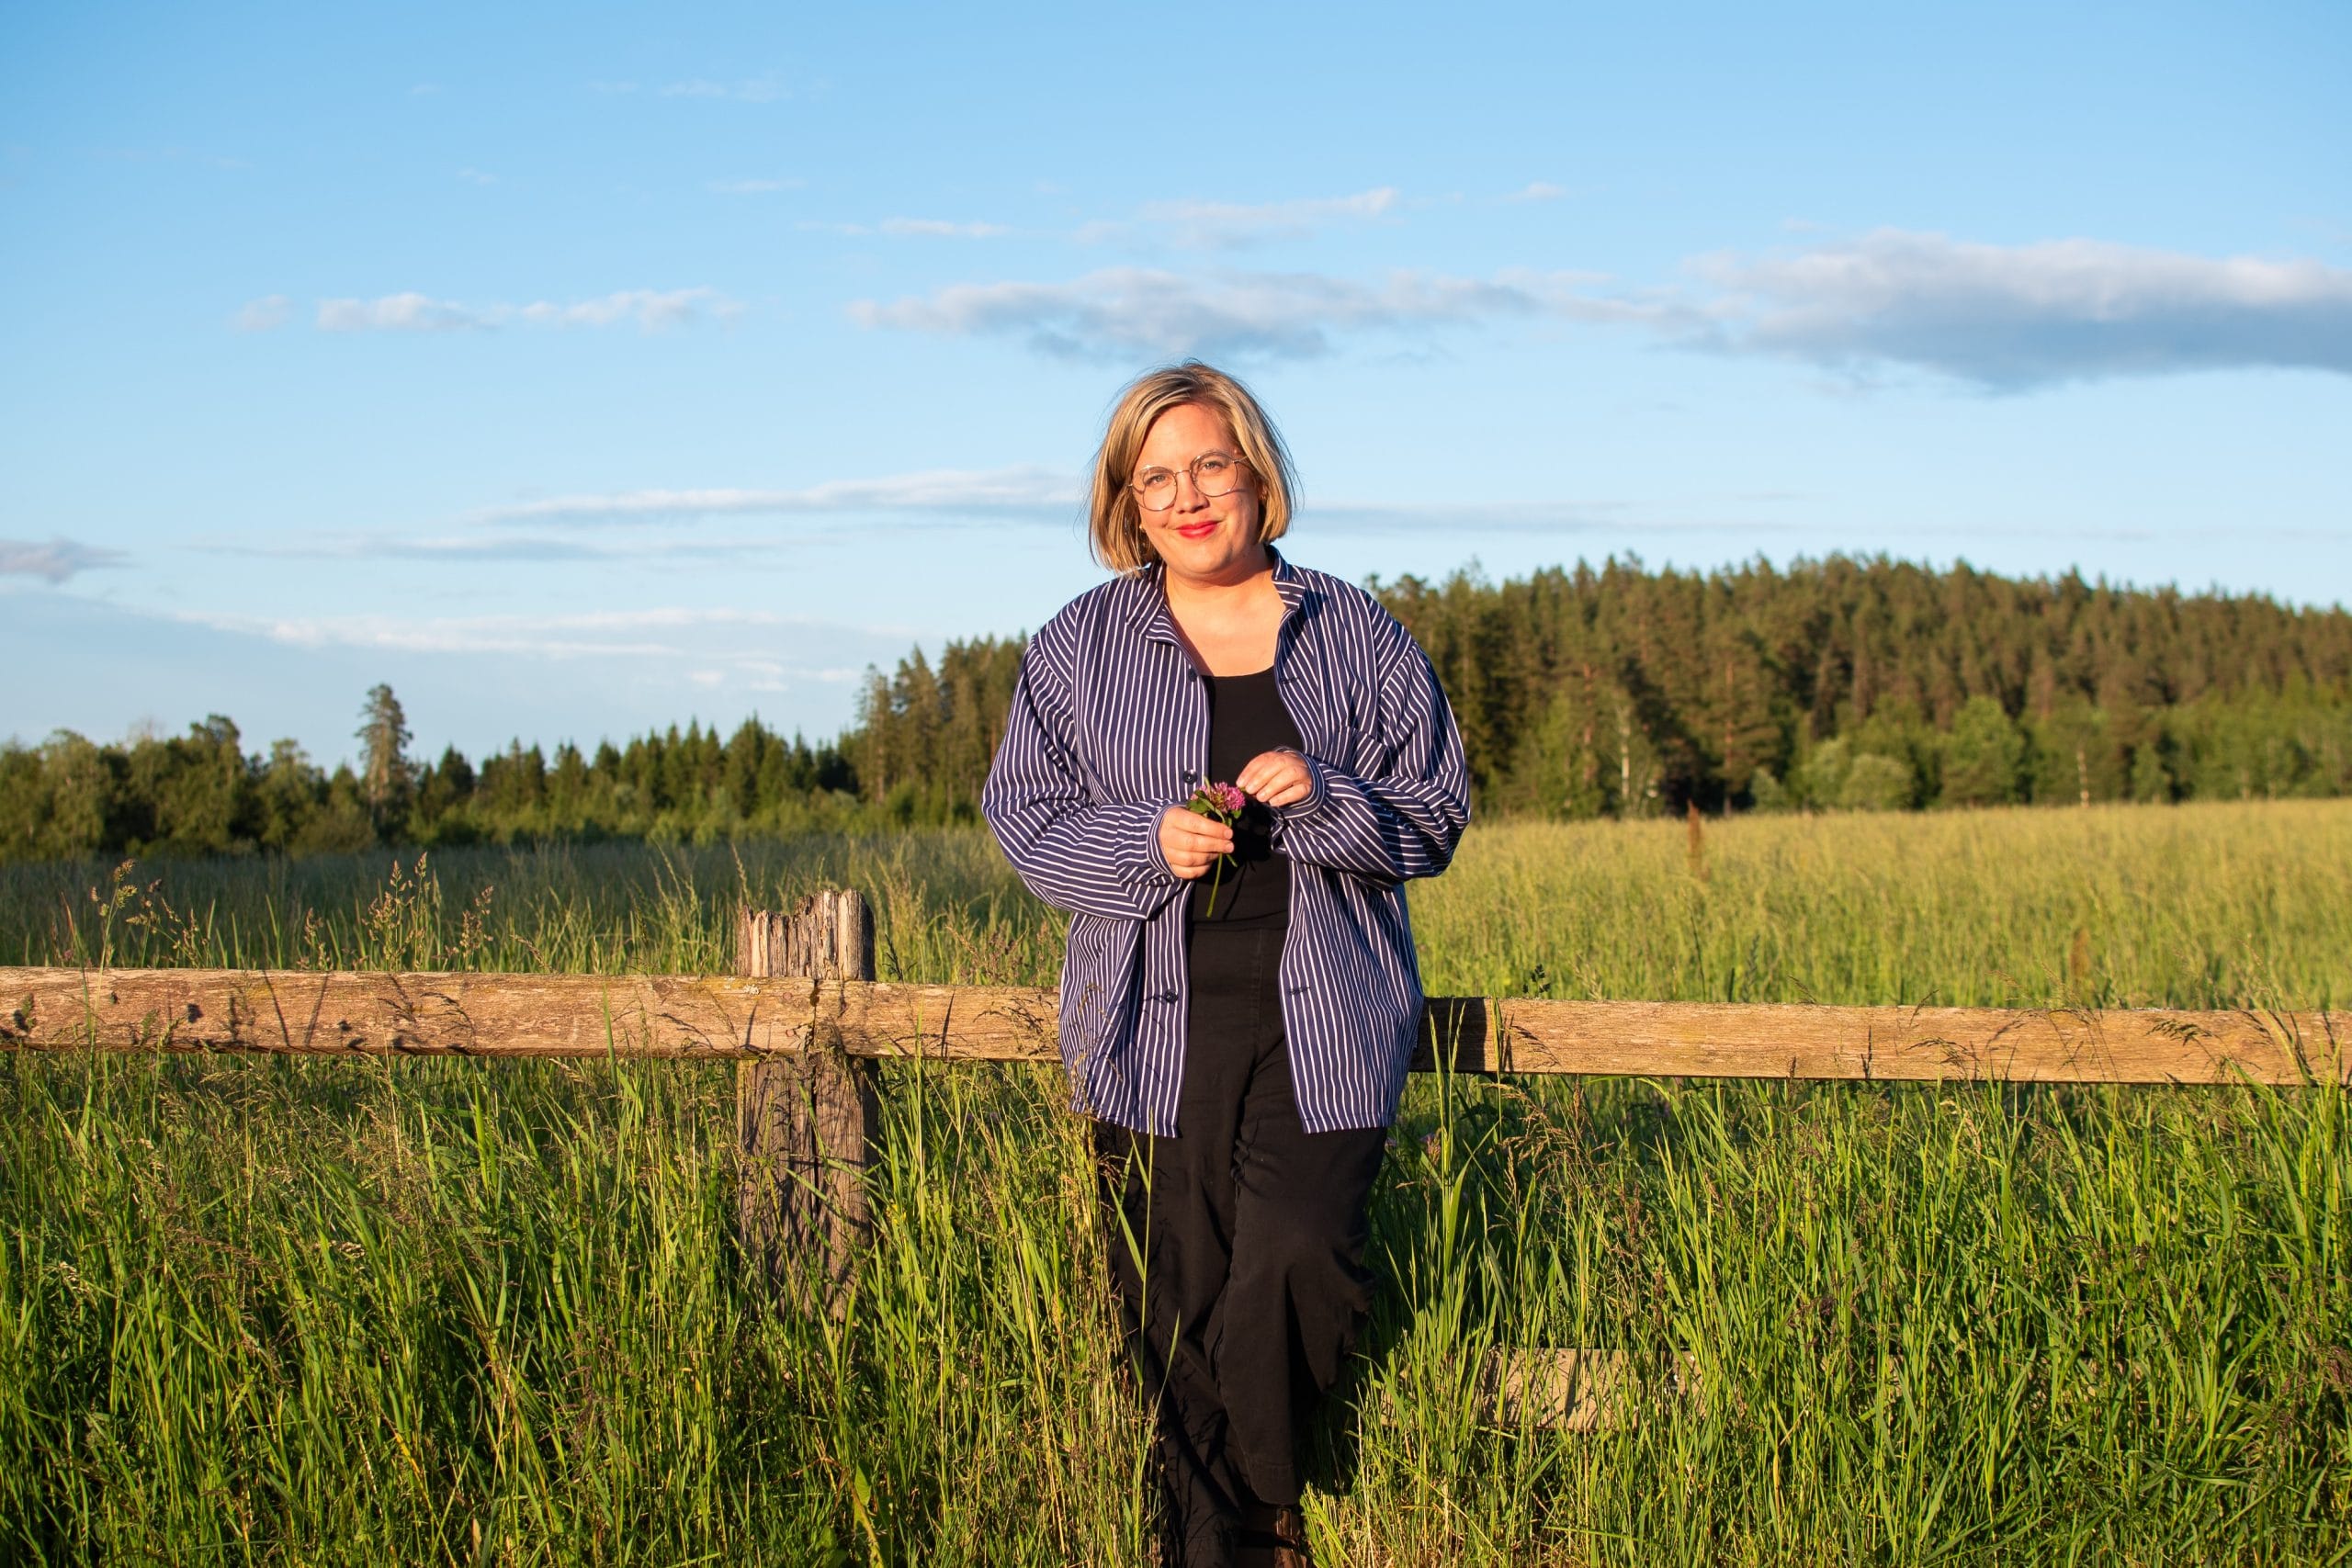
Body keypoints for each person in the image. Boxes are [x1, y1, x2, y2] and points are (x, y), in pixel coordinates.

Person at [980, 362, 1470, 1567]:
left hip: (1328, 1016)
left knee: (1298, 1254)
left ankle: (1260, 1504)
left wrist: (1331, 800)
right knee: (1173, 1294)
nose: (1188, 496)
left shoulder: (1355, 631)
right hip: (1147, 1021)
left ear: (1257, 473)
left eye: (1209, 464)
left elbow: (1436, 815)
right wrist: (1146, 839)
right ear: (1126, 505)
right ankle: (1216, 1542)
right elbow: (1028, 821)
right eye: (1157, 478)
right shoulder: (1081, 647)